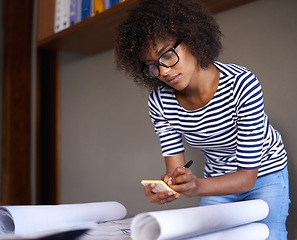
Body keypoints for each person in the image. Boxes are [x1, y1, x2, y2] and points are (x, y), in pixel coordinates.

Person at [114, 0, 290, 238]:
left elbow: (248, 177)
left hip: (264, 174)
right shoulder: (160, 101)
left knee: (267, 234)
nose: (163, 71)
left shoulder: (242, 84)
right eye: (152, 66)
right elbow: (176, 171)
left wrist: (196, 186)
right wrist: (170, 186)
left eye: (166, 55)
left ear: (193, 40)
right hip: (217, 179)